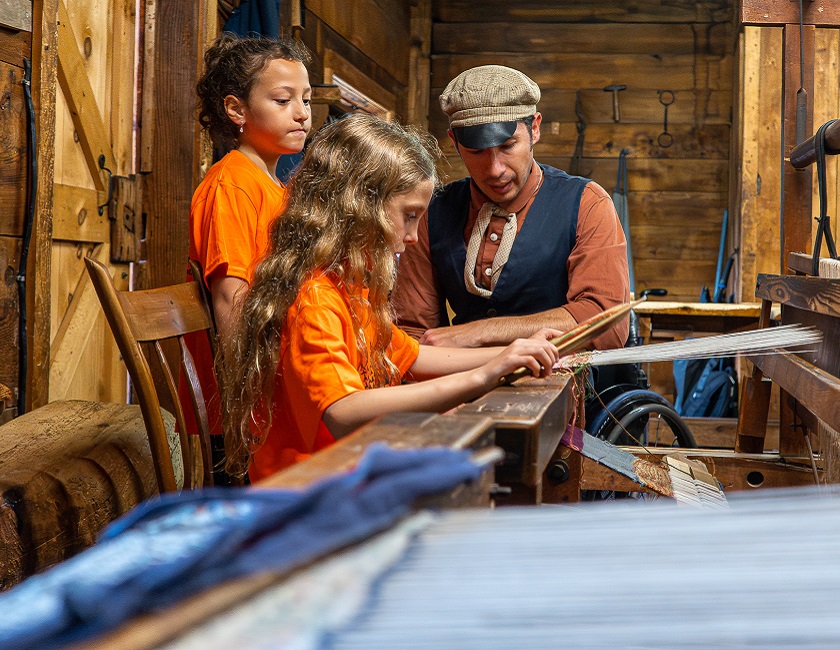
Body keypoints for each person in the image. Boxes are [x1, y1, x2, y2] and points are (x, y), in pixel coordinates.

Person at [222, 114, 562, 481]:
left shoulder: (350, 287)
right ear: (358, 209)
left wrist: (514, 353)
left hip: (348, 472)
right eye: (409, 216)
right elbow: (344, 412)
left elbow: (412, 356)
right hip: (310, 491)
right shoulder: (314, 298)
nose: (414, 236)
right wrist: (484, 376)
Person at [393, 65, 631, 352]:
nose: (494, 170)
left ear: (534, 128)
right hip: (462, 386)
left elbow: (606, 323)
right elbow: (413, 330)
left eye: (507, 146)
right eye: (476, 152)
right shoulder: (432, 213)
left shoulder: (587, 203)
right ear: (455, 142)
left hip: (562, 388)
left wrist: (481, 332)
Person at [184, 33, 312, 483]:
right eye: (282, 100)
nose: (301, 113)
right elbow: (231, 299)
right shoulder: (231, 185)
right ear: (237, 109)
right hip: (238, 405)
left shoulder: (275, 186)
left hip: (269, 381)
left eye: (306, 99)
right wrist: (244, 405)